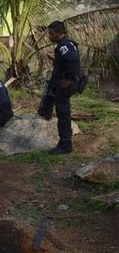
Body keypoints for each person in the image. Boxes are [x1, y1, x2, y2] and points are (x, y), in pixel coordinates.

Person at [38, 21, 81, 155]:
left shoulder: (64, 45)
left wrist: (68, 78)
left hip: (65, 86)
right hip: (59, 84)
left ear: (60, 33)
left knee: (63, 115)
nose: (49, 36)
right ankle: (47, 114)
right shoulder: (67, 44)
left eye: (52, 34)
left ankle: (65, 145)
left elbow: (73, 61)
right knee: (53, 105)